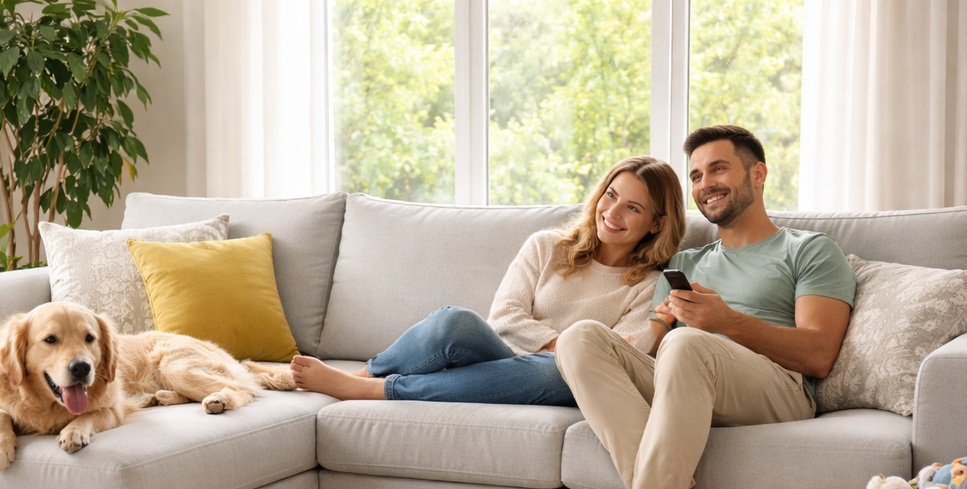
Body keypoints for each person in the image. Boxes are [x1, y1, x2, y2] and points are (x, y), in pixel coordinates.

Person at [550, 125, 856, 489]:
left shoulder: (809, 250)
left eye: (718, 168)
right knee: (581, 338)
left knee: (688, 342)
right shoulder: (685, 263)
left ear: (757, 174)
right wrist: (638, 341)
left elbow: (820, 354)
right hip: (686, 372)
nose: (705, 183)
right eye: (695, 175)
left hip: (776, 390)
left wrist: (728, 322)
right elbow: (647, 350)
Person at [289, 156, 687, 404]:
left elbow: (621, 356)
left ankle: (379, 390)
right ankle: (366, 374)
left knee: (558, 370)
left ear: (656, 223)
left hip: (558, 378)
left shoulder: (648, 284)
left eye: (632, 207)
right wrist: (563, 343)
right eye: (611, 195)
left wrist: (564, 353)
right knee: (454, 321)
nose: (612, 212)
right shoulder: (547, 246)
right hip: (502, 357)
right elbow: (505, 318)